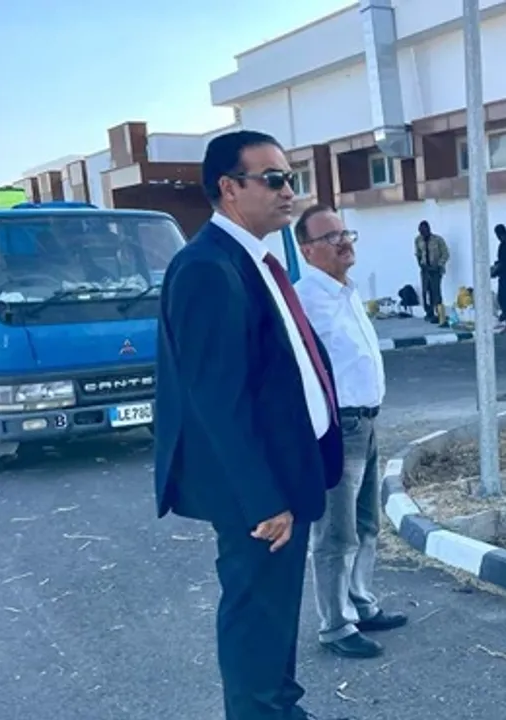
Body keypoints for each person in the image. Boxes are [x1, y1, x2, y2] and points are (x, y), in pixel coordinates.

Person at [153, 129, 347, 720]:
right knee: (254, 615)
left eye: (291, 178)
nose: (289, 191)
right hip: (257, 492)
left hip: (286, 471)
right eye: (274, 179)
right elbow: (217, 401)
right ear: (230, 188)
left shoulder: (254, 259)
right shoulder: (207, 268)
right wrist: (264, 499)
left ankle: (281, 709)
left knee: (275, 611)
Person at [293, 205, 407, 659]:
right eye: (330, 237)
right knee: (335, 533)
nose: (343, 242)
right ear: (306, 250)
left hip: (368, 422)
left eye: (345, 233)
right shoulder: (303, 301)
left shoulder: (347, 292)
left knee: (366, 524)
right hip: (338, 428)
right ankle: (335, 625)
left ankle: (360, 602)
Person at [413, 220, 449, 324]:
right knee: (426, 292)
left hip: (436, 269)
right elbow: (418, 253)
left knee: (436, 292)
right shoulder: (418, 240)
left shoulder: (438, 240)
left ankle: (439, 314)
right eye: (421, 231)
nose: (422, 233)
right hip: (425, 270)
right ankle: (429, 313)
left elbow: (445, 254)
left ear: (428, 229)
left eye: (424, 231)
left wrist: (439, 265)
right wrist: (421, 264)